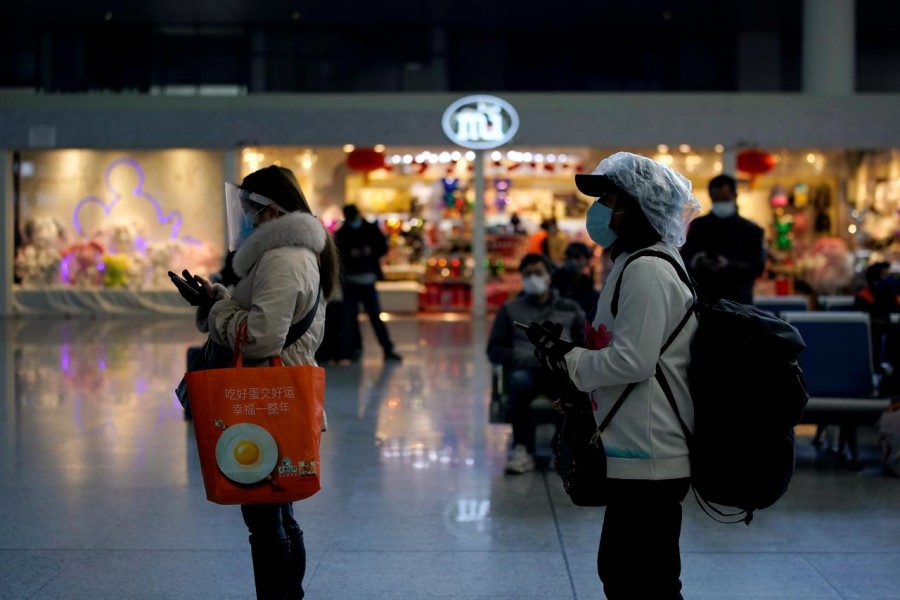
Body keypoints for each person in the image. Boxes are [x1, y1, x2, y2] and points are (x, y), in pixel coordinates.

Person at [526, 152, 700, 599]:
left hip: (651, 453)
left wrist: (572, 361)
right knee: (631, 575)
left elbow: (633, 362)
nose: (599, 209)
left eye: (610, 199)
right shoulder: (636, 262)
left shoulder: (647, 269)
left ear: (641, 208)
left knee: (640, 580)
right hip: (638, 446)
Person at [192, 165, 340, 600]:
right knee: (280, 512)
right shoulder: (295, 254)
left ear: (272, 211)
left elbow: (260, 338)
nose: (244, 217)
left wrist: (218, 312)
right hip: (277, 397)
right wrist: (219, 299)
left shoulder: (282, 258)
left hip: (264, 400)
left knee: (266, 522)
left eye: (248, 209)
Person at [486, 253, 585, 474]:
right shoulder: (510, 309)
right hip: (525, 368)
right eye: (528, 274)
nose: (533, 278)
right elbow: (494, 349)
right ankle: (523, 448)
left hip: (560, 371)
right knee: (519, 383)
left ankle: (558, 448)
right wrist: (519, 356)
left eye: (538, 273)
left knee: (570, 389)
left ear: (549, 276)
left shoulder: (570, 308)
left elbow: (583, 344)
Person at [680, 174, 765, 304]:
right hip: (705, 301)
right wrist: (697, 261)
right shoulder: (699, 226)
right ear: (711, 197)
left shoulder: (751, 230)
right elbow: (684, 259)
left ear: (735, 196)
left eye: (725, 199)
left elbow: (758, 266)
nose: (721, 203)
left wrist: (731, 267)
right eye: (717, 200)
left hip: (739, 303)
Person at [334, 204, 402, 362]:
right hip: (354, 282)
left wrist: (368, 252)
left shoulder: (365, 230)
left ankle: (383, 349)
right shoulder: (344, 233)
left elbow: (381, 248)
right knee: (352, 318)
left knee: (369, 317)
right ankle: (356, 350)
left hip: (360, 281)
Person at [551, 241, 600, 319]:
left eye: (577, 257)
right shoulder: (554, 281)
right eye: (569, 257)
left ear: (586, 261)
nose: (572, 261)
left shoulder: (588, 287)